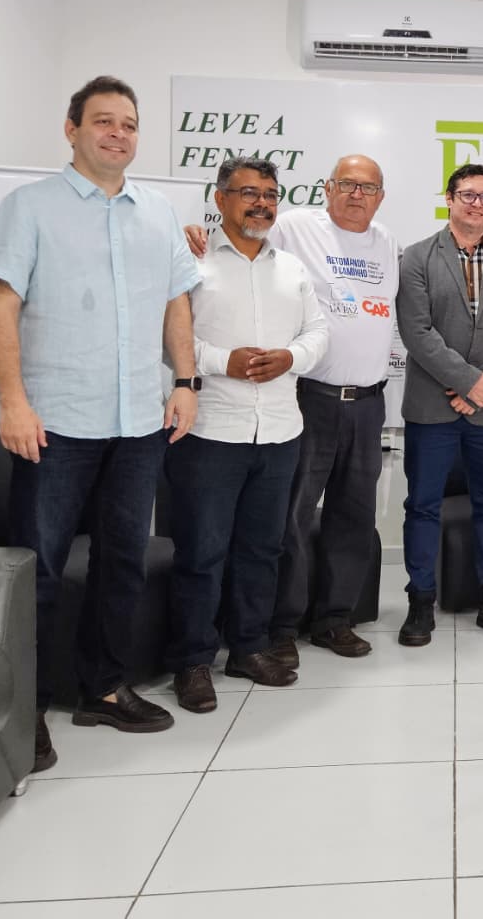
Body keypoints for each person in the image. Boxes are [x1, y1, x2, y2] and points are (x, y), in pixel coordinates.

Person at [0, 76, 199, 771]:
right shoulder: (29, 207)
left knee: (122, 563)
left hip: (138, 422)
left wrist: (185, 381)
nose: (118, 134)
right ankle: (24, 708)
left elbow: (176, 302)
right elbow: (1, 304)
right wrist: (12, 401)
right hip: (55, 424)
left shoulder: (158, 213)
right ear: (71, 128)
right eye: (103, 121)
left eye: (129, 124)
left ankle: (103, 688)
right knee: (38, 571)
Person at [188, 154, 398, 664]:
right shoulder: (294, 226)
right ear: (327, 188)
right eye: (347, 184)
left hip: (369, 402)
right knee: (291, 519)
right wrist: (193, 233)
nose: (357, 194)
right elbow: (240, 238)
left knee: (353, 516)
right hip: (312, 398)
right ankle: (281, 625)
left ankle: (334, 619)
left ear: (381, 196)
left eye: (368, 187)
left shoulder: (387, 242)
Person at [165, 158, 329, 712]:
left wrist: (291, 356)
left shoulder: (293, 269)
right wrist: (221, 361)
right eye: (249, 193)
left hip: (280, 431)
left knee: (262, 548)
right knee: (201, 552)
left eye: (270, 194)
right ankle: (192, 661)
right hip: (210, 430)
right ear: (221, 200)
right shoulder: (192, 262)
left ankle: (249, 648)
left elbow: (319, 332)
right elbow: (169, 340)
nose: (261, 203)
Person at [395, 164, 483, 646]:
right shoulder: (416, 257)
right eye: (468, 195)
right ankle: (420, 602)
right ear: (449, 199)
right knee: (423, 506)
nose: (477, 204)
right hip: (432, 407)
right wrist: (467, 381)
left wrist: (482, 385)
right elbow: (416, 331)